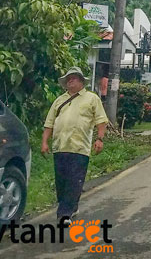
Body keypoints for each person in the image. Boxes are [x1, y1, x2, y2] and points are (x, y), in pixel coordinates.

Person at [41, 67, 109, 220]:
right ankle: (71, 207)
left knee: (74, 180)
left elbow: (101, 120)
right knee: (62, 182)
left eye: (74, 78)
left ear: (81, 81)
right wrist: (44, 142)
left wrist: (100, 139)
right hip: (60, 146)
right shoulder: (59, 100)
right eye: (68, 78)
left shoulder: (92, 99)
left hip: (79, 147)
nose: (70, 81)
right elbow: (49, 123)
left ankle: (64, 214)